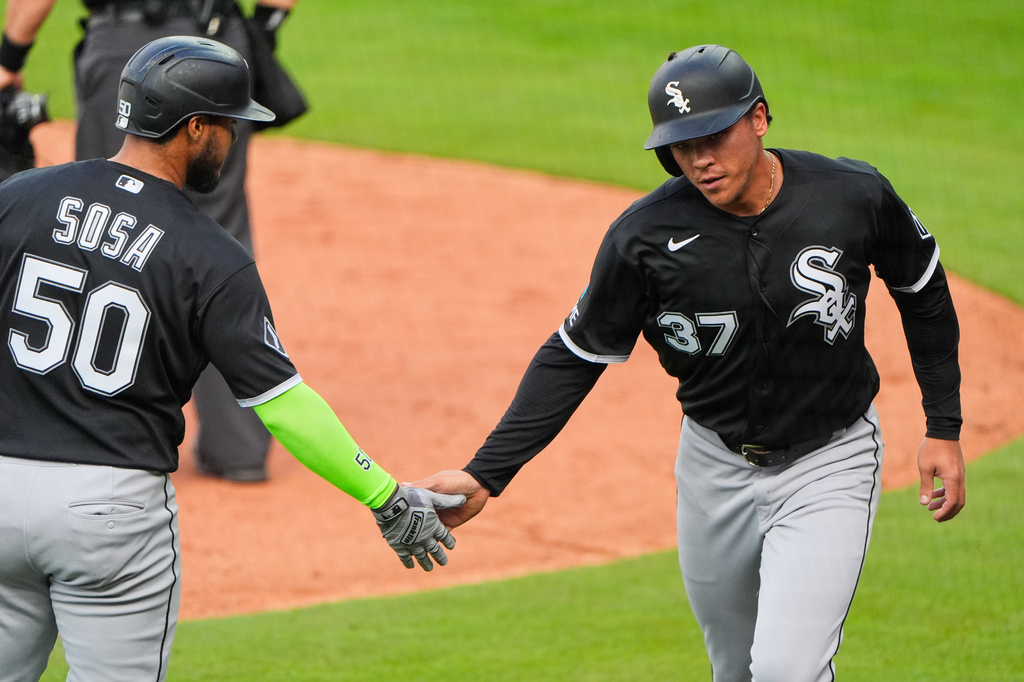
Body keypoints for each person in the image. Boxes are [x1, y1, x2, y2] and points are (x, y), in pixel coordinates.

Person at [412, 45, 966, 681]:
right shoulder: (644, 237)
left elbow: (922, 288)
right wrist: (487, 473)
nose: (699, 159)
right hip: (713, 469)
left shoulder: (851, 197)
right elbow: (574, 355)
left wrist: (943, 425)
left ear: (759, 119)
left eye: (713, 134)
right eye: (680, 145)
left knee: (787, 670)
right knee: (733, 669)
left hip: (828, 460)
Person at [0, 36, 462, 682]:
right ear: (193, 129)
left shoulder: (21, 197)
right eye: (229, 126)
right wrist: (384, 496)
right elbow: (284, 406)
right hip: (107, 511)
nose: (235, 140)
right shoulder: (210, 255)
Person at [0, 0, 301, 482]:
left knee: (96, 230)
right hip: (220, 47)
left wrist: (8, 59)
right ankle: (238, 449)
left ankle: (83, 427)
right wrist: (264, 26)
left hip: (126, 55)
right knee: (219, 243)